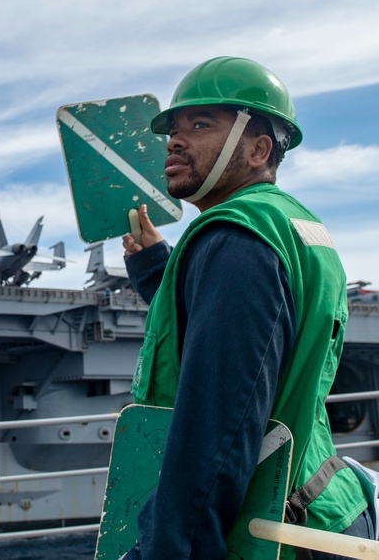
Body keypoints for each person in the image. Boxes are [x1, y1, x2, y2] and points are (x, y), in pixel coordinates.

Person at [120, 57, 370, 559]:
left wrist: (171, 551)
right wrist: (155, 269)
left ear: (259, 150)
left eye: (200, 124)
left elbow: (218, 432)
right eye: (174, 128)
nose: (174, 139)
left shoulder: (236, 240)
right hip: (325, 506)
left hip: (272, 529)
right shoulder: (292, 224)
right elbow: (250, 344)